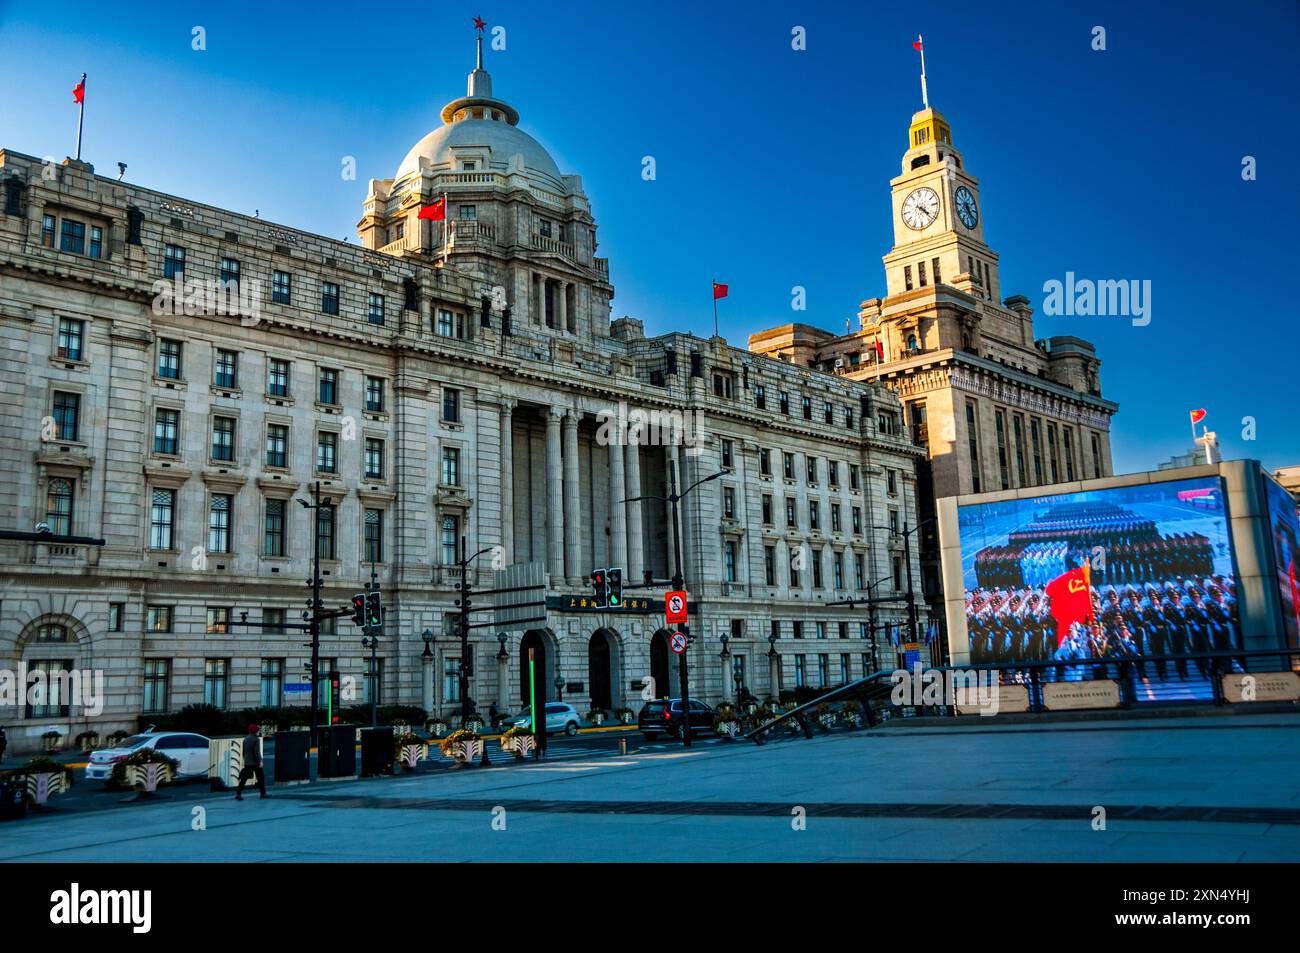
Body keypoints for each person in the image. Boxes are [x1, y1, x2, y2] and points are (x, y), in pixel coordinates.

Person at [235, 723, 269, 800]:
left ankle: (238, 794)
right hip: (255, 763)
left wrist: (245, 759)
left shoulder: (246, 739)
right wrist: (260, 761)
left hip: (247, 762)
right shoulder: (256, 739)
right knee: (260, 778)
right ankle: (263, 794)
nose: (258, 731)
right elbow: (256, 752)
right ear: (255, 731)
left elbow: (244, 752)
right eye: (257, 730)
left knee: (244, 779)